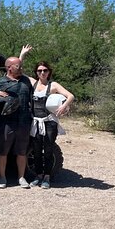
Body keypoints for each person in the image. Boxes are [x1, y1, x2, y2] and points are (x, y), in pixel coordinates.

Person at [19, 47, 75, 189]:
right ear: (36, 72)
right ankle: (38, 176)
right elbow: (19, 69)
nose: (42, 73)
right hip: (36, 123)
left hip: (49, 123)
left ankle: (47, 177)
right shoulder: (33, 83)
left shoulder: (53, 85)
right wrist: (22, 54)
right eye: (39, 71)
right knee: (36, 150)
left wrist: (63, 107)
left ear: (49, 72)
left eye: (45, 70)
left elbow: (70, 96)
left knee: (48, 150)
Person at [0, 55, 33, 189]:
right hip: (6, 123)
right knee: (3, 151)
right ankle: (2, 177)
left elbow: (33, 98)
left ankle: (21, 177)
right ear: (9, 67)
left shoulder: (26, 81)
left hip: (23, 122)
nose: (21, 68)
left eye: (21, 66)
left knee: (22, 151)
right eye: (18, 66)